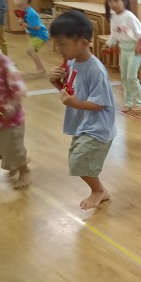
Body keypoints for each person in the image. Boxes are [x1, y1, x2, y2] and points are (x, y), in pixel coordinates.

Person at [49, 11, 116, 210]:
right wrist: (56, 82)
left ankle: (98, 190)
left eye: (62, 44)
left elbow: (100, 103)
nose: (58, 48)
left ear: (83, 43)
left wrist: (74, 103)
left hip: (98, 127)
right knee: (77, 160)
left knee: (78, 161)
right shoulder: (71, 63)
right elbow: (70, 92)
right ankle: (99, 190)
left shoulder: (96, 69)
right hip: (84, 124)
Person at [104, 0, 141, 113]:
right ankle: (128, 102)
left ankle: (139, 102)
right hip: (123, 50)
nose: (113, 4)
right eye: (110, 1)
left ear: (125, 1)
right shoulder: (113, 17)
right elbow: (114, 34)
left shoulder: (129, 16)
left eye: (116, 0)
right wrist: (108, 44)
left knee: (131, 77)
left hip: (134, 50)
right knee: (124, 77)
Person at [0, 52, 31, 188]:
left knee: (12, 147)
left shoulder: (3, 62)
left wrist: (12, 104)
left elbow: (18, 86)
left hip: (9, 119)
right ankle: (15, 162)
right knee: (3, 148)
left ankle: (24, 170)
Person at [11, 0, 48, 74]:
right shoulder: (23, 11)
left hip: (40, 35)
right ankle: (40, 67)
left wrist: (24, 23)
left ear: (24, 0)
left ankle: (40, 68)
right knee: (30, 51)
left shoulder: (31, 13)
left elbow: (37, 27)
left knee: (30, 50)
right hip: (34, 35)